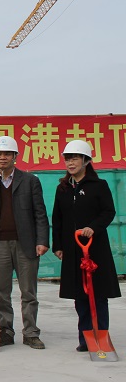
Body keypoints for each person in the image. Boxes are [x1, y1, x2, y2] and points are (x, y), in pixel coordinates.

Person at [0, 135, 49, 349]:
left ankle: (31, 332)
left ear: (15, 156)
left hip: (26, 244)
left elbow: (40, 213)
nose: (2, 157)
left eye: (7, 154)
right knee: (1, 291)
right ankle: (5, 330)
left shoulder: (30, 181)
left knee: (28, 291)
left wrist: (42, 240)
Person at [51, 140, 121, 352]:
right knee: (79, 294)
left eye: (75, 158)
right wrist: (58, 245)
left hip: (95, 248)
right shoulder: (63, 189)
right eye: (67, 159)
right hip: (73, 249)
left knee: (98, 293)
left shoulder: (99, 186)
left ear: (86, 161)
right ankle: (85, 337)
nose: (70, 163)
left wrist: (93, 227)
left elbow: (108, 212)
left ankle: (101, 335)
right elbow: (57, 218)